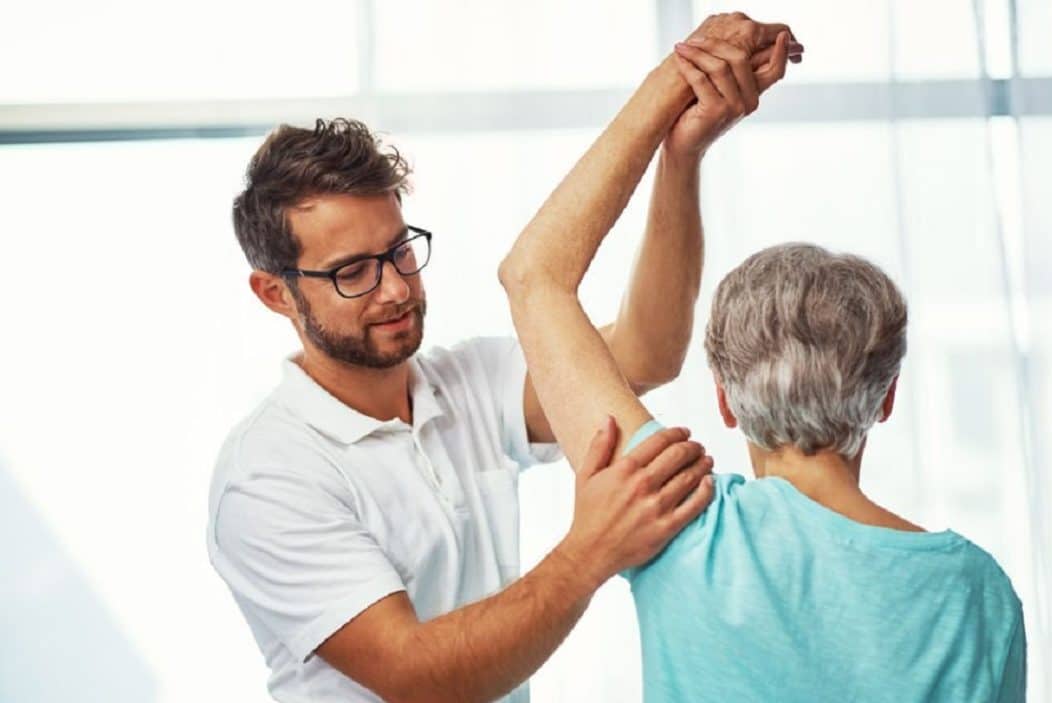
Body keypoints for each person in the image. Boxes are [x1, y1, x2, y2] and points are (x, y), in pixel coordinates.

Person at [206, 12, 801, 702]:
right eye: (353, 272)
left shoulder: (470, 382)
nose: (396, 287)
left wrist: (683, 155)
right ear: (275, 293)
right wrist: (591, 551)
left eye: (400, 249)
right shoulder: (267, 474)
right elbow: (415, 675)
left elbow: (648, 350)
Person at [498, 20, 1027, 703]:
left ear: (724, 398)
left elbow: (533, 274)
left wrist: (675, 86)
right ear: (887, 395)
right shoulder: (979, 592)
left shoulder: (683, 526)